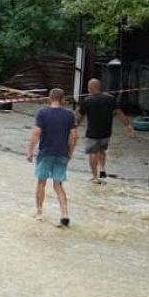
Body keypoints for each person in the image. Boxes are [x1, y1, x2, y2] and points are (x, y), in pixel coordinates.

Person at [27, 88, 78, 227]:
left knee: (41, 182)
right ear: (62, 100)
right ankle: (65, 214)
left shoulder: (43, 113)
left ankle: (39, 212)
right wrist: (70, 152)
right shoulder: (69, 115)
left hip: (46, 153)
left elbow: (36, 133)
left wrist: (30, 151)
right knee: (58, 184)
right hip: (62, 153)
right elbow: (75, 136)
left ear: (50, 98)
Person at [76, 78, 134, 183]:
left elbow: (80, 118)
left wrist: (74, 128)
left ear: (91, 88)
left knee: (93, 153)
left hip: (93, 133)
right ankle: (102, 170)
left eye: (89, 87)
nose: (88, 89)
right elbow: (119, 113)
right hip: (106, 132)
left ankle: (95, 177)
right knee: (102, 150)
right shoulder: (110, 98)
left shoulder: (87, 101)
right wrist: (128, 125)